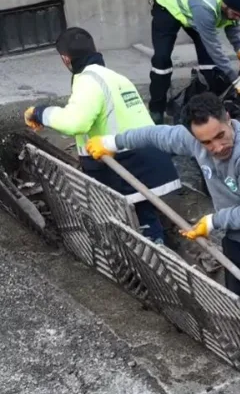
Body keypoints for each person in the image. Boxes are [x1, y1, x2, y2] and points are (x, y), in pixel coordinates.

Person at [84, 92, 240, 330]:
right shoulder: (194, 139)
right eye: (206, 142)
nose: (217, 147)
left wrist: (213, 221)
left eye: (220, 136)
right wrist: (113, 142)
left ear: (228, 118)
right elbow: (155, 134)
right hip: (237, 241)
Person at [24, 27, 181, 244]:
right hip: (152, 162)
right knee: (146, 223)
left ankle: (146, 260)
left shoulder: (88, 81)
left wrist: (40, 113)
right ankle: (156, 250)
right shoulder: (114, 77)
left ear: (65, 59)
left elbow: (75, 122)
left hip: (126, 166)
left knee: (129, 229)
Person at [149, 0, 240, 124]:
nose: (238, 18)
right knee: (162, 61)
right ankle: (156, 111)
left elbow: (232, 24)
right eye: (236, 14)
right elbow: (213, 46)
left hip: (193, 7)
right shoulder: (205, 8)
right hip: (168, 3)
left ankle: (215, 110)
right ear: (225, 5)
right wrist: (235, 80)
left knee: (210, 64)